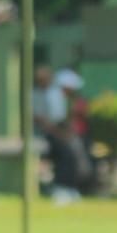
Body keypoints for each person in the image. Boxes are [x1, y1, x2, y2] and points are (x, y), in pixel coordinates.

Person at [34, 65, 86, 204]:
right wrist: (60, 134)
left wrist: (67, 133)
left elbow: (61, 119)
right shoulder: (35, 95)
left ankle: (70, 188)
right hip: (45, 135)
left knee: (72, 155)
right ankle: (60, 188)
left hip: (58, 132)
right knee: (64, 155)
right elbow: (42, 121)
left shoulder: (55, 95)